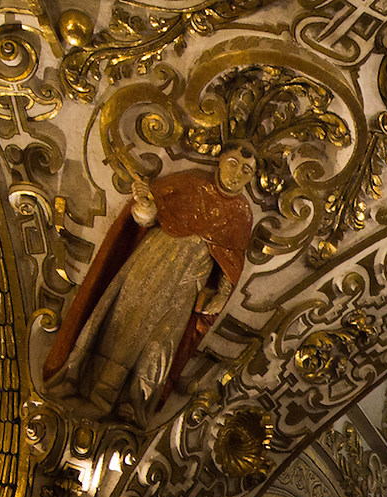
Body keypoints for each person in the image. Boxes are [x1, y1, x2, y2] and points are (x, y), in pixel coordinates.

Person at [45, 150, 255, 427]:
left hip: (186, 285)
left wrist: (223, 294)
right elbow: (146, 219)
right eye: (234, 164)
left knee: (160, 344)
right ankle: (94, 391)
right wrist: (145, 204)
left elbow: (231, 259)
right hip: (153, 263)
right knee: (124, 328)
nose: (237, 173)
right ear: (220, 161)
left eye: (246, 170)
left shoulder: (241, 214)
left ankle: (133, 402)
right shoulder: (189, 183)